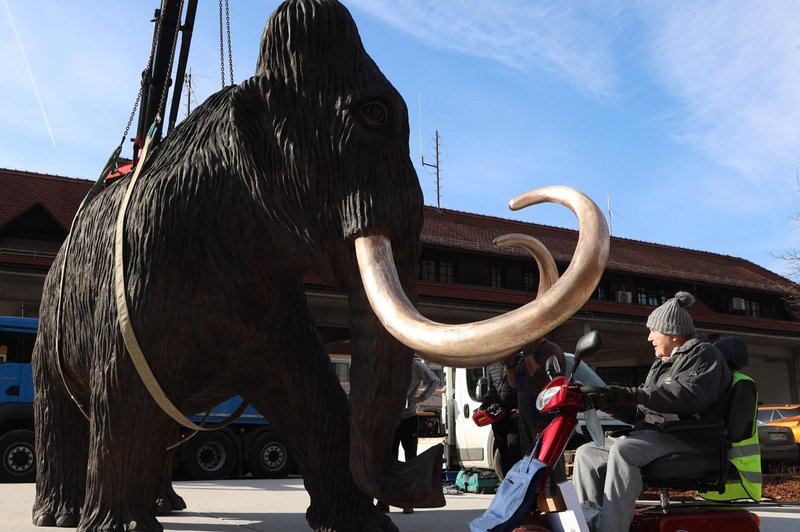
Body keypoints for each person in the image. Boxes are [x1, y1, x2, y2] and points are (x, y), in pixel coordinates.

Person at [572, 291, 732, 532]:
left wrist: (632, 392)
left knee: (626, 450)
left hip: (689, 438)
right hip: (656, 434)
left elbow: (688, 396)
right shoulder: (662, 364)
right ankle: (589, 525)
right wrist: (611, 403)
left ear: (674, 333)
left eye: (653, 331)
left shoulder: (704, 355)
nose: (649, 338)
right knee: (588, 453)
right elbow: (643, 408)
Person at [377, 356, 441, 515]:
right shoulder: (387, 362)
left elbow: (434, 380)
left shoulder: (414, 364)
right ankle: (384, 500)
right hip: (389, 417)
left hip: (408, 417)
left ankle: (408, 501)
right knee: (388, 457)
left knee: (410, 458)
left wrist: (421, 398)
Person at [506, 338, 567, 482]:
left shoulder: (550, 350)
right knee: (530, 457)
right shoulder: (524, 356)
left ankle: (556, 492)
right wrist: (510, 366)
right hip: (528, 416)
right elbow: (514, 384)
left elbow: (545, 381)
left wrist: (528, 356)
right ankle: (534, 494)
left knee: (549, 456)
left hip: (545, 418)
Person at [485, 360, 520, 476]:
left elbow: (526, 388)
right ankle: (506, 485)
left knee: (514, 450)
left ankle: (518, 486)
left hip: (514, 416)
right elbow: (491, 391)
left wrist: (522, 409)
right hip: (497, 417)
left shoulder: (519, 360)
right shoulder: (491, 365)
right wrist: (482, 407)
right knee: (503, 453)